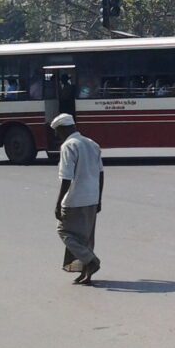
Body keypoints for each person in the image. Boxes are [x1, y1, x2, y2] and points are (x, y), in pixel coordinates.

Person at [52, 114, 104, 284]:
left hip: (74, 199)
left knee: (64, 231)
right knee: (85, 237)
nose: (57, 136)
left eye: (57, 132)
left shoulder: (69, 145)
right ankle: (86, 273)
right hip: (92, 197)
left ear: (63, 129)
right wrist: (99, 198)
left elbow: (66, 177)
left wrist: (59, 203)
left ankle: (90, 260)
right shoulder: (92, 144)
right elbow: (101, 173)